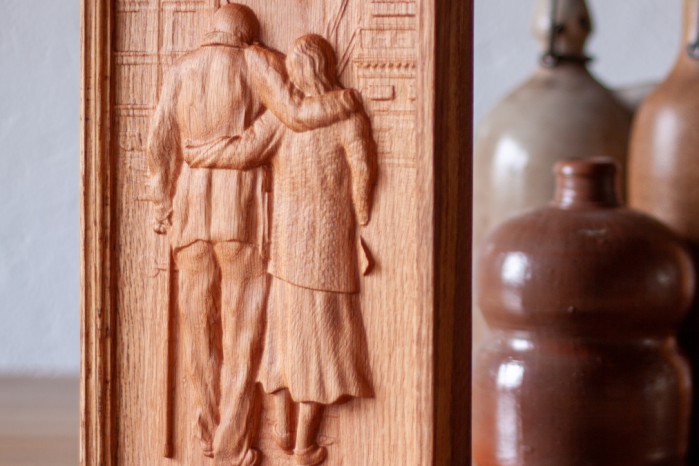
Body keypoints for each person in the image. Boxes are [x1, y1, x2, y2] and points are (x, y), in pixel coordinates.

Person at [146, 5, 359, 466]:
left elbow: (159, 141)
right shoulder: (256, 60)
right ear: (249, 35)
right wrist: (344, 102)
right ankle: (232, 446)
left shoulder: (180, 69)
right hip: (239, 215)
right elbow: (295, 114)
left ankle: (207, 434)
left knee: (197, 329)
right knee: (242, 331)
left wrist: (161, 202)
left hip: (189, 214)